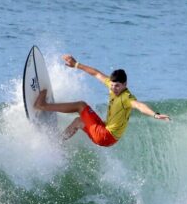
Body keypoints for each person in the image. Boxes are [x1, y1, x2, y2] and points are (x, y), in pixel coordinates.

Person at [34, 54, 170, 147]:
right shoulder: (111, 86)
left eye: (117, 86)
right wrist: (76, 64)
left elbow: (139, 106)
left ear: (125, 85)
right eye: (112, 84)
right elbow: (96, 73)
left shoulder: (126, 98)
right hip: (107, 136)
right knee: (78, 122)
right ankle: (56, 143)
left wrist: (155, 114)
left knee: (81, 106)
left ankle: (42, 106)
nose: (114, 88)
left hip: (105, 136)